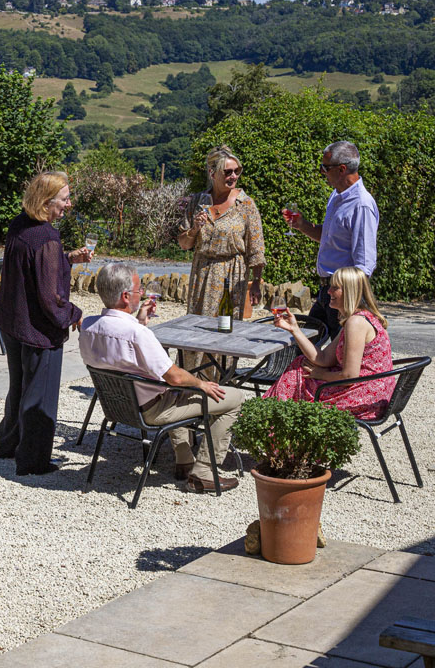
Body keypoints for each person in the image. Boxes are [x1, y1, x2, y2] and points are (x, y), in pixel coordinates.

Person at [79, 262, 244, 493]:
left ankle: (184, 461)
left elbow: (118, 349)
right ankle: (204, 472)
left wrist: (139, 320)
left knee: (173, 390)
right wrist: (201, 384)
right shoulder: (138, 334)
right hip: (152, 410)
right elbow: (174, 376)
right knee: (233, 398)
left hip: (118, 407)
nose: (143, 293)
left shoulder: (87, 326)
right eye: (139, 290)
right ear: (126, 296)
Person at [0, 172, 91, 475]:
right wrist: (73, 314)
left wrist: (67, 259)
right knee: (39, 396)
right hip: (37, 329)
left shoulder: (20, 224)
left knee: (19, 386)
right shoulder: (47, 236)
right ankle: (33, 460)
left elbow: (33, 268)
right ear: (47, 202)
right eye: (64, 199)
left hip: (12, 321)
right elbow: (51, 297)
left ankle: (9, 444)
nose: (69, 204)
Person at [177, 145, 265, 377]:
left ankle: (221, 381)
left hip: (232, 274)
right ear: (212, 173)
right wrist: (195, 228)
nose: (234, 176)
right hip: (202, 272)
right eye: (228, 172)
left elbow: (256, 248)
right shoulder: (197, 202)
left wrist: (256, 282)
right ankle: (192, 380)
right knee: (197, 328)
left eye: (237, 171)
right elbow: (184, 244)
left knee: (225, 329)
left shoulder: (246, 205)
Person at [265, 267, 394, 420]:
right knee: (300, 366)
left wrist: (321, 374)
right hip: (372, 391)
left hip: (364, 396)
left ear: (349, 291)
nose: (328, 291)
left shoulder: (356, 323)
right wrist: (294, 329)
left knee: (297, 375)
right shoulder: (358, 319)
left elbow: (348, 376)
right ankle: (274, 424)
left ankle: (268, 423)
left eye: (335, 287)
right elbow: (324, 358)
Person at [284, 140, 379, 340]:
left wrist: (347, 300)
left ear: (342, 169)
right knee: (303, 346)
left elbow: (364, 264)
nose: (322, 173)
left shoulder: (361, 204)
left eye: (325, 168)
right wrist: (303, 225)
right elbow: (330, 239)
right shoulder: (336, 196)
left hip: (344, 295)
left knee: (343, 357)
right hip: (326, 291)